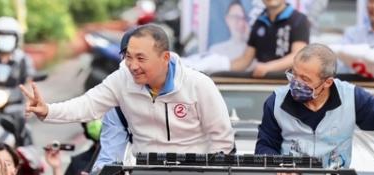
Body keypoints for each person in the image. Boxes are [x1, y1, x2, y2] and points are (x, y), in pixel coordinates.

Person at [21, 25, 235, 155]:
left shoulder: (198, 84)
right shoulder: (122, 79)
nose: (133, 65)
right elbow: (87, 105)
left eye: (141, 58)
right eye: (129, 57)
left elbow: (222, 139)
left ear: (165, 58)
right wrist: (47, 110)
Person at [230, 0, 310, 78]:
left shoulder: (299, 19)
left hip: (287, 84)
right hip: (262, 84)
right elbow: (246, 59)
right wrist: (222, 66)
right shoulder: (259, 22)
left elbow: (298, 57)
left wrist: (268, 67)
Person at [0, 17, 36, 97]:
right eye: (2, 36)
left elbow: (29, 80)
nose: (5, 40)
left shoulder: (23, 59)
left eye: (9, 36)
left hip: (16, 100)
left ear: (17, 38)